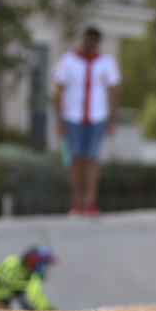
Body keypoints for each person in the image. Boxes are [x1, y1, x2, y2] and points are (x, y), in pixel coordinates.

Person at [53, 25, 121, 217]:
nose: (90, 43)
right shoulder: (67, 61)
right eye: (88, 39)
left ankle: (90, 202)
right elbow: (58, 91)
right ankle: (76, 203)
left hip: (97, 117)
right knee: (75, 160)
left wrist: (112, 120)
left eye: (94, 40)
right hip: (72, 117)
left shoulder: (106, 62)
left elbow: (114, 90)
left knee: (91, 160)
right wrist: (59, 120)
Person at [0, 246, 57, 311]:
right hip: (0, 303)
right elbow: (38, 299)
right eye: (44, 264)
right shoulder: (31, 279)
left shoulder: (12, 260)